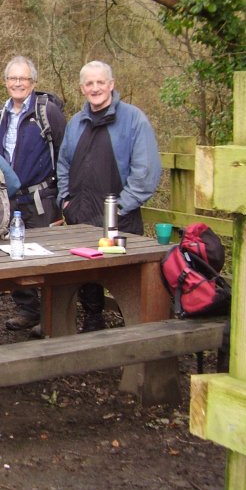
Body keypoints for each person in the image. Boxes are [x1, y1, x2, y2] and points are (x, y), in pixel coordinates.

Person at [57, 61, 161, 332]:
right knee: (85, 274)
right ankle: (93, 321)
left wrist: (121, 207)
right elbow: (64, 163)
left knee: (126, 278)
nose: (95, 88)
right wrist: (66, 200)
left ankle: (136, 330)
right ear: (82, 88)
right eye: (89, 84)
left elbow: (146, 171)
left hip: (121, 219)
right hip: (81, 216)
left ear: (112, 84)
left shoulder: (133, 119)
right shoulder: (76, 123)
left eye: (100, 82)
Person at [0, 56, 66, 330]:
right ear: (6, 82)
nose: (17, 84)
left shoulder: (47, 112)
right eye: (12, 79)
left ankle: (51, 316)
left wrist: (61, 197)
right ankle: (28, 310)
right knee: (14, 254)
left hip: (42, 197)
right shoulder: (2, 113)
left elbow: (63, 152)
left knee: (47, 257)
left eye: (23, 79)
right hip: (12, 197)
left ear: (33, 82)